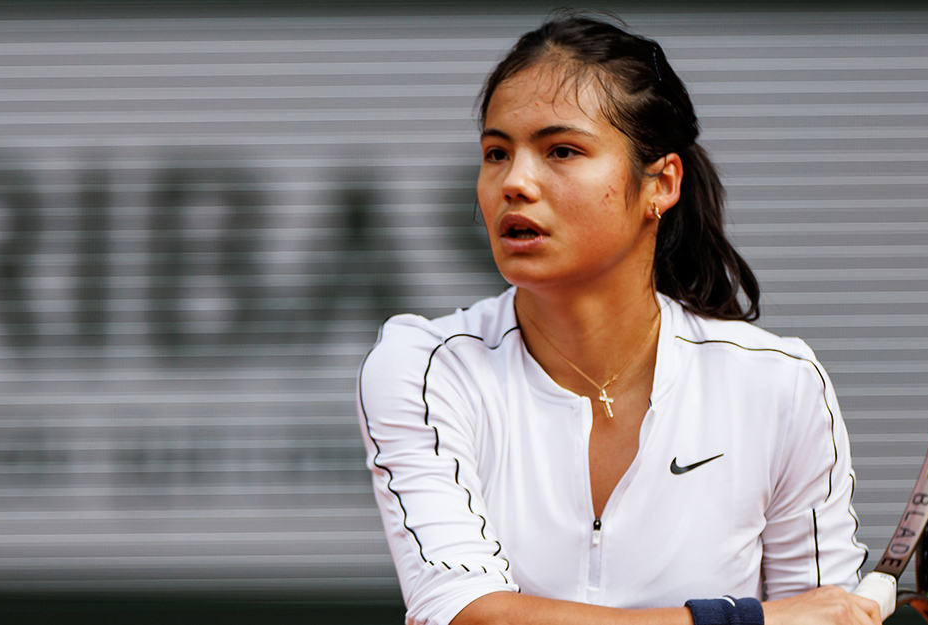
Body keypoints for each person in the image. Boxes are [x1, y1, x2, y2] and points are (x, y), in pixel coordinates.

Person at [357, 13, 881, 625]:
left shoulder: (781, 384)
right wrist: (742, 621)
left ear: (661, 182)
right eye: (496, 153)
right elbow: (473, 617)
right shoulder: (423, 368)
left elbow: (821, 614)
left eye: (561, 150)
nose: (514, 182)